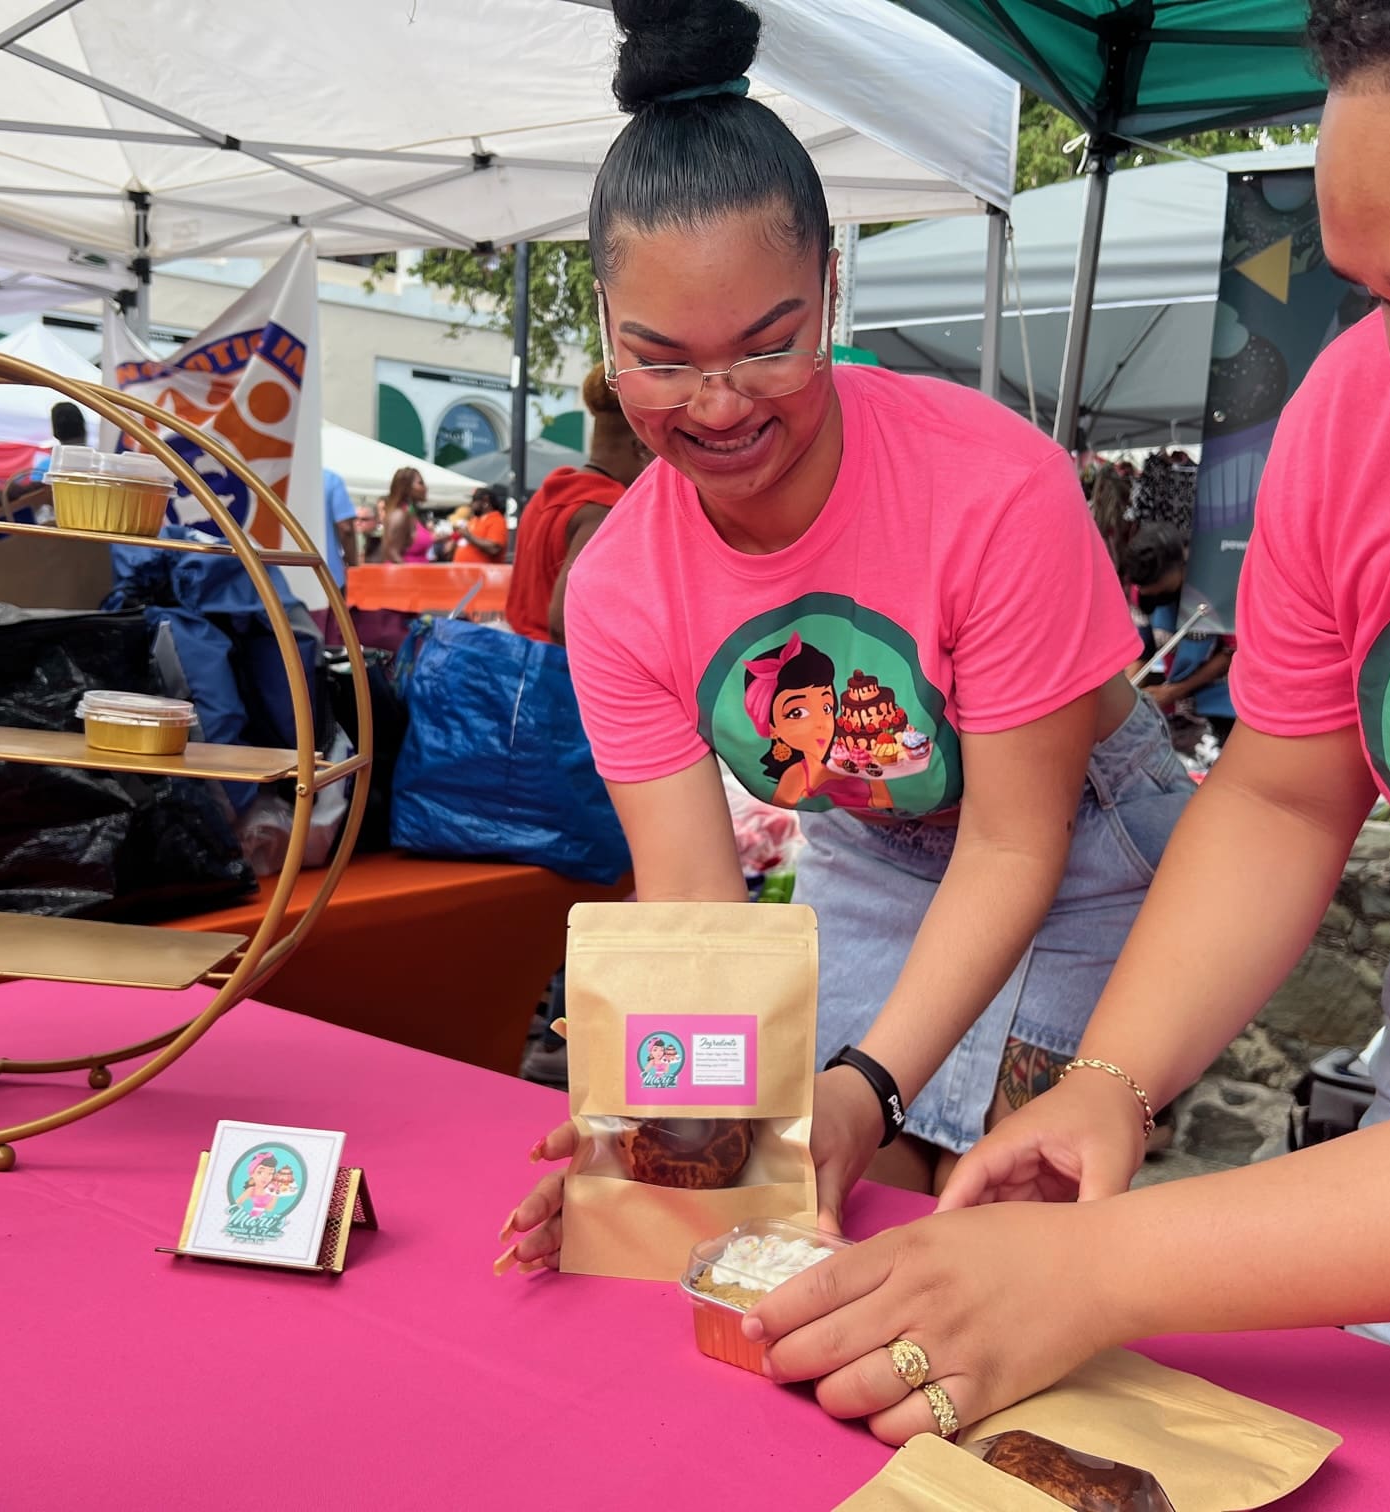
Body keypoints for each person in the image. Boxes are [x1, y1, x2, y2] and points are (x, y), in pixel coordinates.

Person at [732, 0, 1390, 1446]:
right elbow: (1281, 793)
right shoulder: (1356, 422)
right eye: (1379, 301)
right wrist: (1112, 1083)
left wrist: (1091, 1271)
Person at [497, 0, 1189, 1268]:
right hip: (868, 844)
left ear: (829, 285)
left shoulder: (992, 486)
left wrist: (866, 1089)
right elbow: (697, 907)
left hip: (1083, 838)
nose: (716, 408)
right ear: (605, 340)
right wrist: (654, 1158)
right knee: (793, 1195)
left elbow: (1011, 843)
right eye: (660, 362)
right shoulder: (619, 589)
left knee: (976, 1209)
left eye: (769, 349)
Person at [504, 363, 652, 644]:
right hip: (559, 674)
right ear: (642, 448)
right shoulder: (604, 509)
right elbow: (562, 622)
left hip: (520, 660)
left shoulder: (549, 494)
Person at [1119, 522, 1235, 748]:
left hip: (1219, 700)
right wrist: (1127, 694)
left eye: (1155, 586)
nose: (1144, 593)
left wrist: (1175, 691)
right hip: (1174, 701)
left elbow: (1230, 653)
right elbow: (1143, 650)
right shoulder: (1142, 589)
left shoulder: (1213, 589)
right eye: (1142, 589)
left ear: (1181, 566)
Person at [375, 466, 432, 564]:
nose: (425, 487)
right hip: (404, 577)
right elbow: (391, 553)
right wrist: (409, 576)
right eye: (420, 483)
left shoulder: (411, 514)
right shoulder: (399, 515)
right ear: (406, 487)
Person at [28, 402, 89, 482]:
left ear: (55, 433)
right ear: (84, 429)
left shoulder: (45, 468)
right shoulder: (98, 465)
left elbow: (32, 491)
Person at [451, 487, 509, 563]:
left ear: (485, 501)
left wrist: (469, 536)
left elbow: (494, 548)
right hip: (463, 571)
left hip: (481, 572)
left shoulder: (497, 520)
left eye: (474, 500)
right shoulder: (474, 519)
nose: (471, 504)